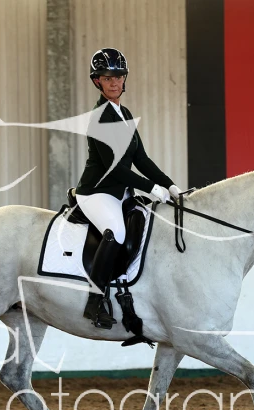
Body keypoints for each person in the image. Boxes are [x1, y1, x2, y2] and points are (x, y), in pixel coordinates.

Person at [75, 47, 181, 329]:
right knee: (117, 232)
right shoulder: (99, 117)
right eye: (108, 78)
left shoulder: (124, 113)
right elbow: (116, 169)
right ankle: (94, 301)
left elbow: (140, 159)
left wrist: (169, 185)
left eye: (119, 77)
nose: (115, 83)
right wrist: (151, 188)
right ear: (97, 81)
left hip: (121, 192)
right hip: (97, 192)